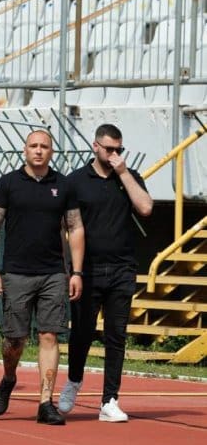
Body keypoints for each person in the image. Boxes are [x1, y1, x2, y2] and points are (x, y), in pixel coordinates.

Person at [0, 130, 85, 426]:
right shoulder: (9, 183)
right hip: (16, 272)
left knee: (49, 334)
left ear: (52, 151)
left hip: (54, 272)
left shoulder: (63, 185)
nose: (38, 151)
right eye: (33, 146)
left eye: (44, 146)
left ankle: (45, 402)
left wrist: (75, 272)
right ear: (24, 149)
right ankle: (8, 377)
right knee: (14, 339)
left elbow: (75, 228)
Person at [61, 125, 152, 422]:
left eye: (119, 149)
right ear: (95, 146)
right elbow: (66, 227)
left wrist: (124, 172)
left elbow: (146, 207)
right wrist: (71, 269)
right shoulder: (75, 181)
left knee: (116, 336)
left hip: (122, 268)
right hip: (87, 269)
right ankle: (74, 380)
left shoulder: (128, 177)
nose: (114, 155)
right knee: (83, 332)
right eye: (109, 149)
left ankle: (109, 400)